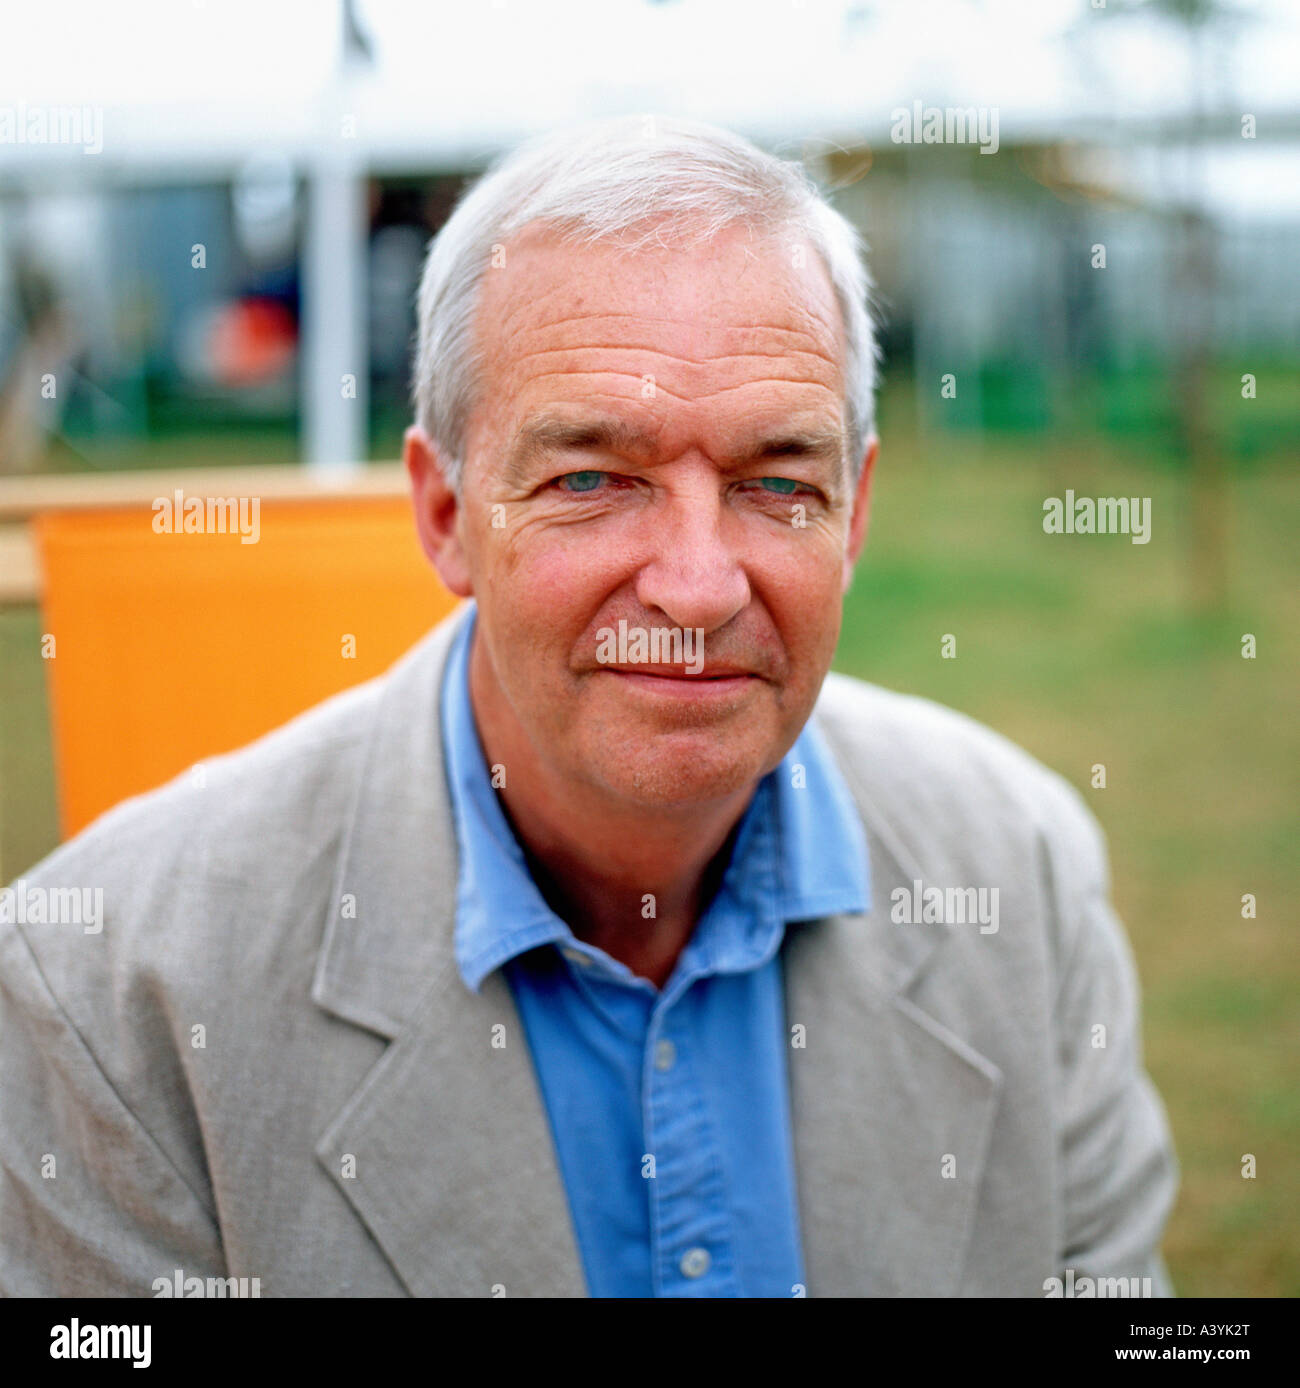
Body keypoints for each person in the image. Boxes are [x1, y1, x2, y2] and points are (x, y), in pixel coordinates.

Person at [0, 114, 1177, 1298]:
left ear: (854, 515)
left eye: (777, 480)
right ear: (447, 513)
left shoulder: (1019, 871)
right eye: (591, 480)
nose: (699, 584)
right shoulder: (112, 993)